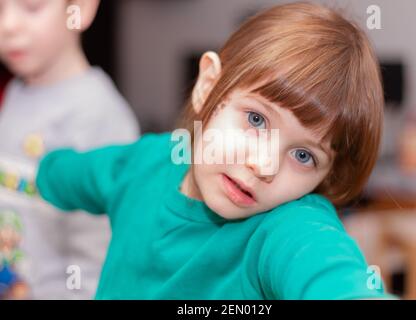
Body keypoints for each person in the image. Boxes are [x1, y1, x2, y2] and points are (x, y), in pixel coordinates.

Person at [37, 2, 390, 299]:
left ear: (325, 174)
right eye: (256, 119)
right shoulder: (142, 163)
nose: (263, 165)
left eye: (303, 156)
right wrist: (36, 169)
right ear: (208, 86)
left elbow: (331, 274)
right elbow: (59, 173)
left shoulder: (285, 225)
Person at [0, 0, 139, 299]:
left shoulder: (99, 115)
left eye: (31, 7)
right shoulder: (15, 92)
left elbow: (99, 256)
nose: (8, 25)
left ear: (81, 10)